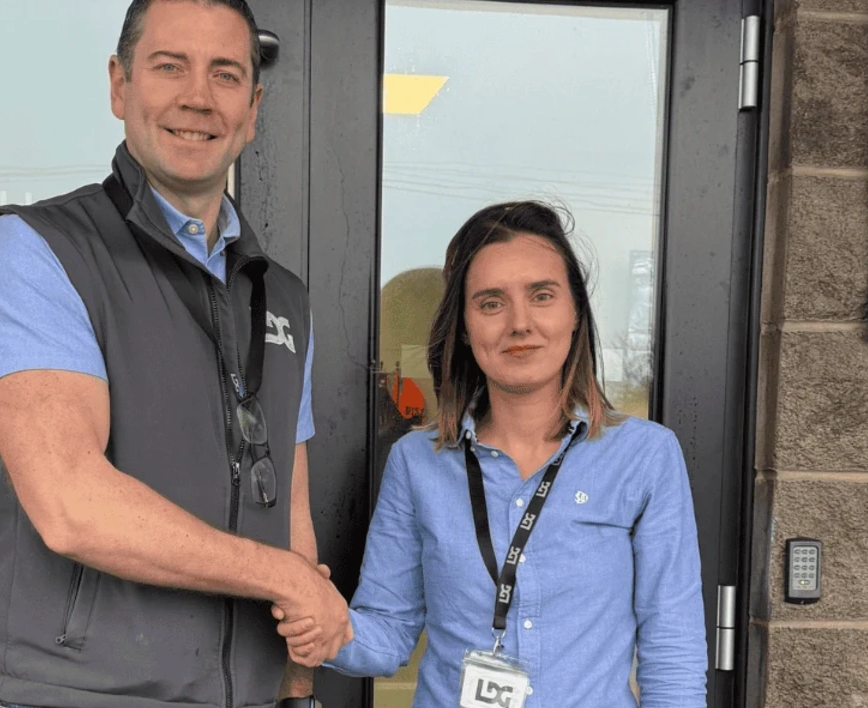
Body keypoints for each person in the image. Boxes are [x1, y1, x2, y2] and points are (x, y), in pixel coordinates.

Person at [0, 1, 349, 707]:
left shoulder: (282, 299)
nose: (197, 97)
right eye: (170, 67)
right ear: (120, 85)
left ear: (252, 109)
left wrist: (296, 685)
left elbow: (287, 503)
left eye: (225, 75)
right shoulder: (37, 252)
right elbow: (71, 503)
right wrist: (285, 579)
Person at [295, 202, 706, 706]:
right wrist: (326, 624)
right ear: (465, 327)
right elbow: (388, 634)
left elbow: (673, 655)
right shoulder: (415, 462)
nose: (519, 323)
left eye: (542, 295)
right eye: (491, 303)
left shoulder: (645, 457)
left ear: (575, 310)